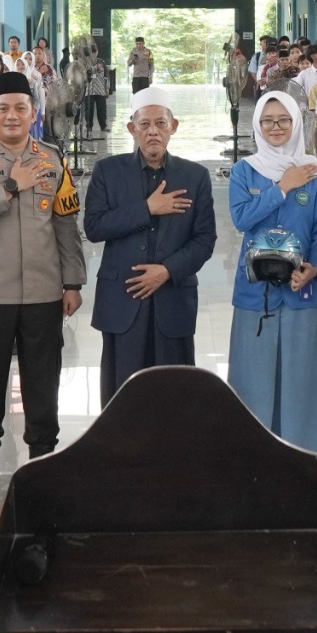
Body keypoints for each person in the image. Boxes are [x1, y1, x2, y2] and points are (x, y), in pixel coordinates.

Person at [0, 71, 85, 502]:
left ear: (33, 113)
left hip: (44, 292)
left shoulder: (52, 158)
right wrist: (9, 187)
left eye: (20, 108)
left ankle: (42, 465)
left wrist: (72, 281)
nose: (11, 115)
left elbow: (66, 223)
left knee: (43, 383)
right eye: (3, 108)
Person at [82, 87, 219, 410]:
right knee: (122, 400)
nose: (153, 132)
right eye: (144, 124)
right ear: (132, 128)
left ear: (174, 126)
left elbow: (205, 240)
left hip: (173, 299)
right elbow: (94, 227)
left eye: (160, 123)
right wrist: (147, 208)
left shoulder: (195, 176)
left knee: (173, 398)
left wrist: (167, 271)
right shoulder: (108, 171)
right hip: (122, 300)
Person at [225, 93, 317, 460]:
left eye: (283, 120)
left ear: (295, 123)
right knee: (253, 379)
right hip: (255, 292)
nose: (275, 127)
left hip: (301, 290)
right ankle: (253, 460)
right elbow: (242, 218)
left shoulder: (315, 172)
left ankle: (309, 460)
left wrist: (314, 266)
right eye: (267, 121)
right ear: (257, 125)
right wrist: (282, 187)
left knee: (304, 381)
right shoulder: (245, 170)